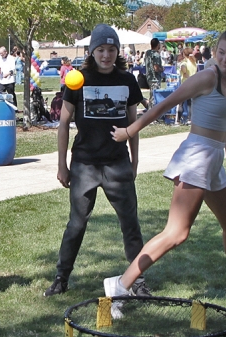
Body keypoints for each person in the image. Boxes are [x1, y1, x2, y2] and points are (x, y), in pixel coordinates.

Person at [104, 26, 226, 318]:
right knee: (177, 232)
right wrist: (129, 131)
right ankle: (121, 284)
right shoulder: (207, 77)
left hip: (214, 158)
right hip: (196, 157)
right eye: (220, 53)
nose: (224, 59)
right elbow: (163, 105)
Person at [44, 24, 150, 297]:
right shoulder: (78, 79)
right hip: (85, 164)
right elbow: (64, 123)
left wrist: (135, 162)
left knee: (130, 224)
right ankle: (61, 277)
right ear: (92, 52)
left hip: (117, 164)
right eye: (101, 49)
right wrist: (62, 166)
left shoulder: (127, 81)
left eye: (111, 49)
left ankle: (137, 281)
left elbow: (132, 123)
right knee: (77, 223)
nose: (106, 55)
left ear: (118, 51)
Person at [144, 38, 163, 109]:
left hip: (149, 76)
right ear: (158, 45)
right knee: (154, 97)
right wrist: (162, 69)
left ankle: (150, 111)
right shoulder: (156, 55)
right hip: (155, 78)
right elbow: (156, 68)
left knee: (152, 95)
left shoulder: (148, 53)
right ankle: (152, 114)